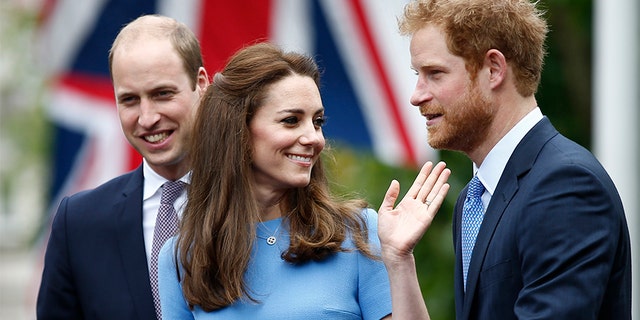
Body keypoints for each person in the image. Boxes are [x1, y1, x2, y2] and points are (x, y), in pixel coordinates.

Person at [157, 42, 451, 319]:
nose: (314, 138)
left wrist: (399, 261)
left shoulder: (359, 232)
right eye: (291, 120)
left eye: (318, 121)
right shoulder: (182, 257)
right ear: (239, 131)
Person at [397, 0, 632, 319]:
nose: (416, 95)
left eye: (434, 73)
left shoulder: (566, 186)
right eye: (417, 74)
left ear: (493, 69)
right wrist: (399, 260)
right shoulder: (473, 198)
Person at [36, 15, 209, 319]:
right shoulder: (77, 224)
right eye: (129, 100)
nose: (146, 118)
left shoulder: (261, 203)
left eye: (162, 94)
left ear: (201, 84)